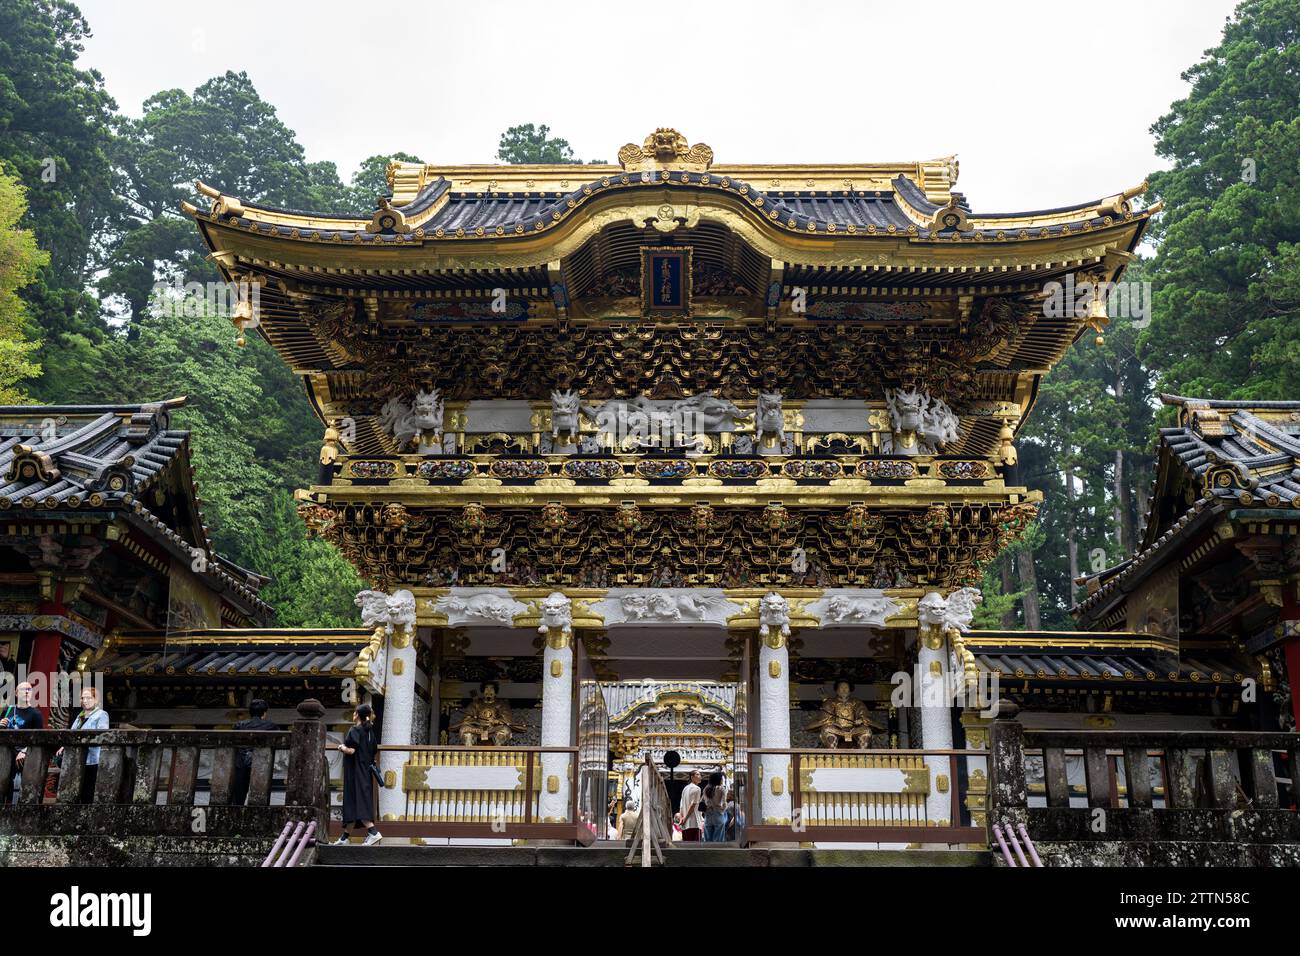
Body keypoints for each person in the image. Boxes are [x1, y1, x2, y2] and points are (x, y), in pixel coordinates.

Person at [334, 703, 382, 846]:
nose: (353, 714)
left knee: (357, 801)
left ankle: (373, 832)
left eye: (355, 712)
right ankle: (344, 838)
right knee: (356, 801)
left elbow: (352, 751)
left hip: (354, 772)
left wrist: (341, 747)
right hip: (365, 771)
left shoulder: (355, 729)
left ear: (357, 715)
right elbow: (373, 750)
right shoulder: (370, 732)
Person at [59, 687, 109, 804]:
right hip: (77, 759)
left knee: (88, 790)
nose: (85, 701)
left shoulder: (101, 714)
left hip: (92, 759)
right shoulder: (80, 715)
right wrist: (64, 746)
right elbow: (71, 733)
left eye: (89, 698)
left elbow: (102, 735)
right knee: (75, 789)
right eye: (83, 698)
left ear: (96, 700)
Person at [230, 699, 278, 806]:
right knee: (259, 796)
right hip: (260, 763)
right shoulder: (270, 726)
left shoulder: (240, 725)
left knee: (239, 797)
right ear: (264, 713)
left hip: (241, 762)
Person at [1, 680, 43, 801]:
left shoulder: (36, 714)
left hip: (22, 756)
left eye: (29, 689)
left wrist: (25, 751)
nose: (26, 692)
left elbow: (38, 738)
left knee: (16, 788)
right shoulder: (8, 710)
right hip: (5, 754)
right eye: (23, 689)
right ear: (16, 693)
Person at [676, 769, 703, 842]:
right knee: (695, 848)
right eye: (698, 774)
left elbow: (681, 806)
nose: (700, 776)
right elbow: (693, 805)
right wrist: (684, 819)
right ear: (692, 777)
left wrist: (682, 818)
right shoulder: (697, 788)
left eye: (700, 775)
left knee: (686, 847)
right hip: (694, 823)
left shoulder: (685, 788)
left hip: (685, 825)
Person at [702, 771, 727, 843]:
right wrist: (722, 810)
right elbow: (724, 803)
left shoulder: (706, 789)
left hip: (708, 814)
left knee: (707, 839)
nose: (722, 780)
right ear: (718, 780)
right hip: (718, 814)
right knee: (718, 839)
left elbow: (703, 801)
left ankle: (708, 853)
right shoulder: (721, 789)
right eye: (721, 779)